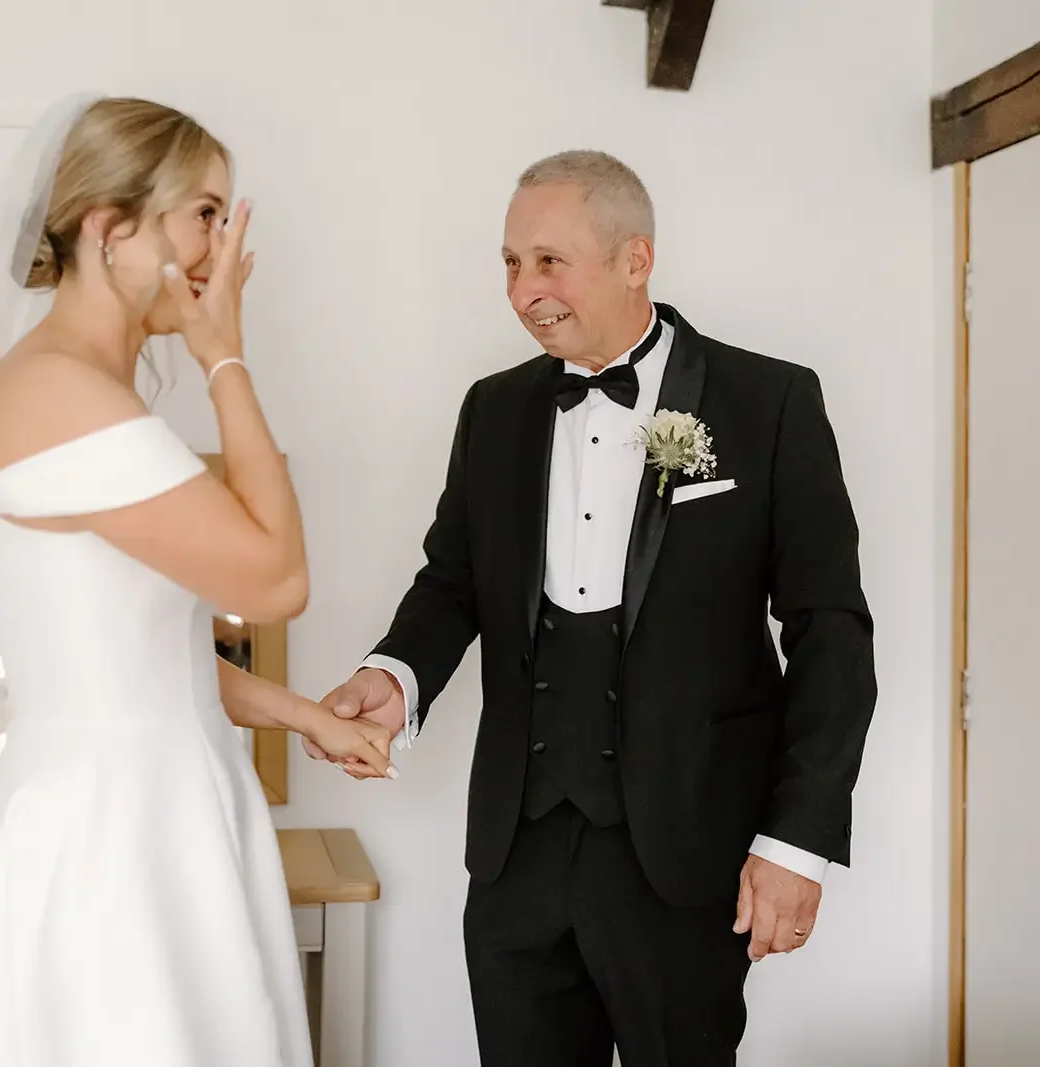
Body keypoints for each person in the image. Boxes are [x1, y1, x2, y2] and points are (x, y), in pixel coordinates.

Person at [0, 96, 393, 1067]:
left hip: (161, 813)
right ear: (108, 227)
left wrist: (307, 715)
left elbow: (136, 657)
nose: (222, 243)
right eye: (204, 211)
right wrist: (225, 356)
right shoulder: (58, 397)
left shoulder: (80, 396)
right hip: (109, 842)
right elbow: (279, 575)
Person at [310, 150, 877, 1066]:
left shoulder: (768, 402)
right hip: (515, 853)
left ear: (634, 259)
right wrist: (396, 673)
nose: (522, 289)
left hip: (685, 853)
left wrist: (798, 841)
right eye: (509, 262)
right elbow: (452, 581)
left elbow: (831, 633)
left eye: (548, 260)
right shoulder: (491, 411)